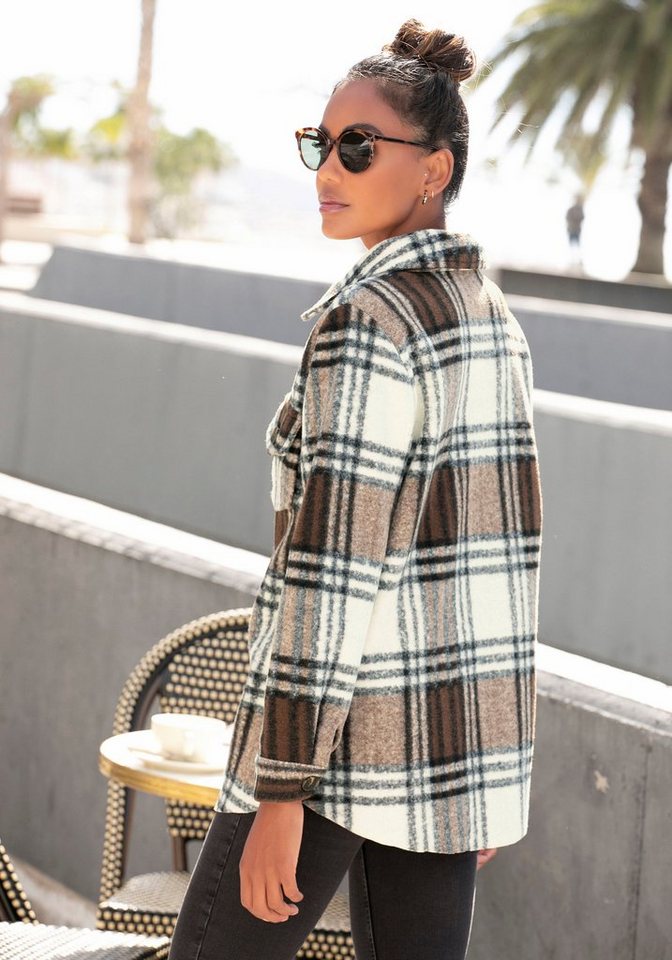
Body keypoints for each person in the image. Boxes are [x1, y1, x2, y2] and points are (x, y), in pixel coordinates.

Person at [168, 18, 543, 960]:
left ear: (434, 169)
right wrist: (487, 771)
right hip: (447, 752)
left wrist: (281, 792)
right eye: (320, 144)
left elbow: (331, 573)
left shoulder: (367, 325)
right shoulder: (490, 317)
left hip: (330, 756)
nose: (328, 169)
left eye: (359, 147)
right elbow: (503, 563)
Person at [566, 194, 585, 266]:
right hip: (571, 229)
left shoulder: (580, 210)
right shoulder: (571, 209)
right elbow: (567, 217)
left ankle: (578, 259)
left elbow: (582, 217)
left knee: (577, 244)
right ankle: (572, 259)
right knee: (571, 244)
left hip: (577, 230)